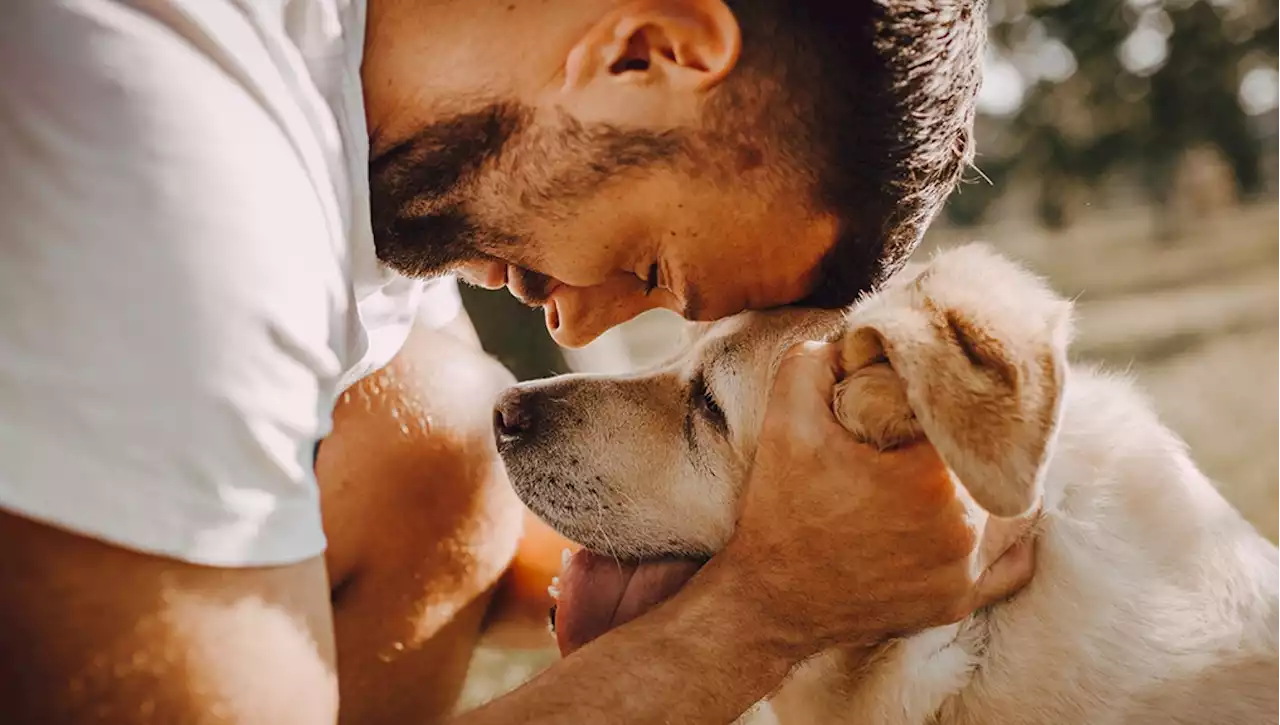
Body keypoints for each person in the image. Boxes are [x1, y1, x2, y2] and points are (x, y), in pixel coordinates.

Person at [0, 0, 1029, 724]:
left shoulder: (361, 117)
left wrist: (817, 536)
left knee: (434, 430)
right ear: (647, 51)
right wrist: (766, 611)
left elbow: (450, 516)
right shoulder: (166, 164)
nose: (575, 327)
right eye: (647, 262)